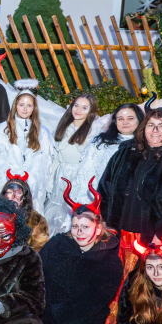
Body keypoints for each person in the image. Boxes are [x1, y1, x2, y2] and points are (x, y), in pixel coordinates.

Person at [98, 96, 162, 268]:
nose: (155, 130)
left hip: (160, 237)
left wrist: (161, 233)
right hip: (121, 235)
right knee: (120, 279)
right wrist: (104, 221)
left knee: (157, 280)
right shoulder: (126, 152)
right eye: (150, 124)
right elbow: (105, 188)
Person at [40, 179, 122, 324]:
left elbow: (96, 299)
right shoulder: (57, 245)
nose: (79, 232)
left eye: (85, 227)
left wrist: (60, 314)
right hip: (54, 304)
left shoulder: (110, 261)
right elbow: (40, 274)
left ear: (98, 229)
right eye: (75, 226)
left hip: (84, 312)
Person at [0, 82, 55, 206]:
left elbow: (43, 159)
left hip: (32, 181)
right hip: (6, 178)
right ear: (15, 106)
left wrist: (29, 177)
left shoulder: (42, 132)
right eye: (21, 105)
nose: (25, 109)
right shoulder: (2, 129)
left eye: (29, 105)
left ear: (34, 108)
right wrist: (11, 175)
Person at [70, 103, 143, 205]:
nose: (125, 122)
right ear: (115, 121)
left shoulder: (146, 145)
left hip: (131, 204)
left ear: (139, 120)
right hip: (97, 199)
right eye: (120, 119)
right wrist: (86, 203)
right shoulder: (100, 141)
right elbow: (85, 171)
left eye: (130, 118)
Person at [46, 94, 99, 233]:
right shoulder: (63, 127)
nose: (78, 110)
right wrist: (50, 180)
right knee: (56, 214)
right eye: (76, 106)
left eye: (84, 107)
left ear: (91, 111)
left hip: (78, 178)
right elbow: (55, 157)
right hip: (61, 177)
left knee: (74, 214)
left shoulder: (93, 132)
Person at [0, 172, 49, 251]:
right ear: (4, 194)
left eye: (19, 193)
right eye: (10, 192)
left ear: (24, 197)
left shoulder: (37, 221)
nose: (14, 196)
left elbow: (39, 248)